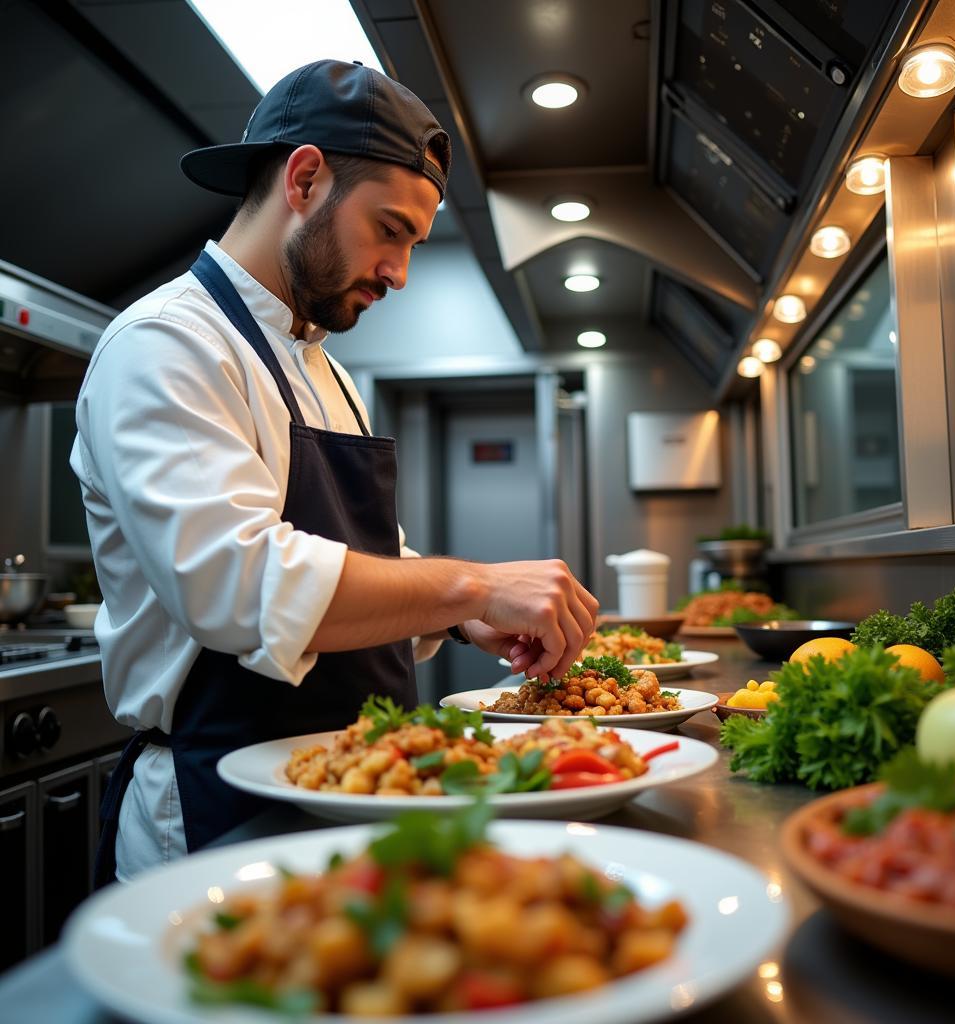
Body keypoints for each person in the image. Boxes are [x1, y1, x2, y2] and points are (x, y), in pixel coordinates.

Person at [72, 60, 598, 884]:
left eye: (414, 244)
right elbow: (235, 583)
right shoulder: (166, 345)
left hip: (356, 783)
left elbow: (372, 564)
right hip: (220, 808)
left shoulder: (326, 369)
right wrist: (472, 587)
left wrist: (463, 622)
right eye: (389, 230)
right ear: (306, 178)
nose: (399, 272)